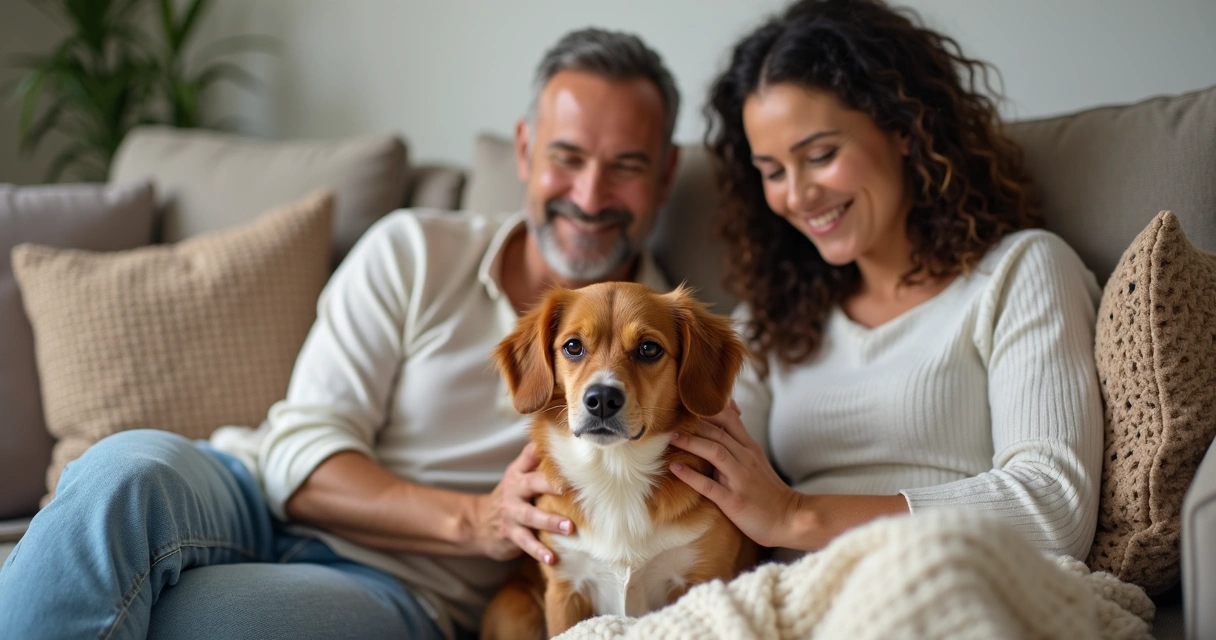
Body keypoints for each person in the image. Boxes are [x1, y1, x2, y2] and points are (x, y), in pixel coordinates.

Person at [0, 28, 681, 640]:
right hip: (246, 490)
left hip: (398, 589)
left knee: (193, 620)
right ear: (526, 150)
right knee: (116, 474)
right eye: (568, 156)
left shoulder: (687, 348)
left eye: (626, 165)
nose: (590, 197)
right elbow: (299, 444)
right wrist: (476, 519)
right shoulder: (412, 248)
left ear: (667, 174)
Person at [667, 0, 1104, 563]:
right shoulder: (769, 320)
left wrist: (796, 515)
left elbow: (1053, 507)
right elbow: (680, 453)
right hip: (794, 598)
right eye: (773, 172)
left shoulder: (1021, 273)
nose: (797, 196)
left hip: (957, 579)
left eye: (820, 154)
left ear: (903, 127)